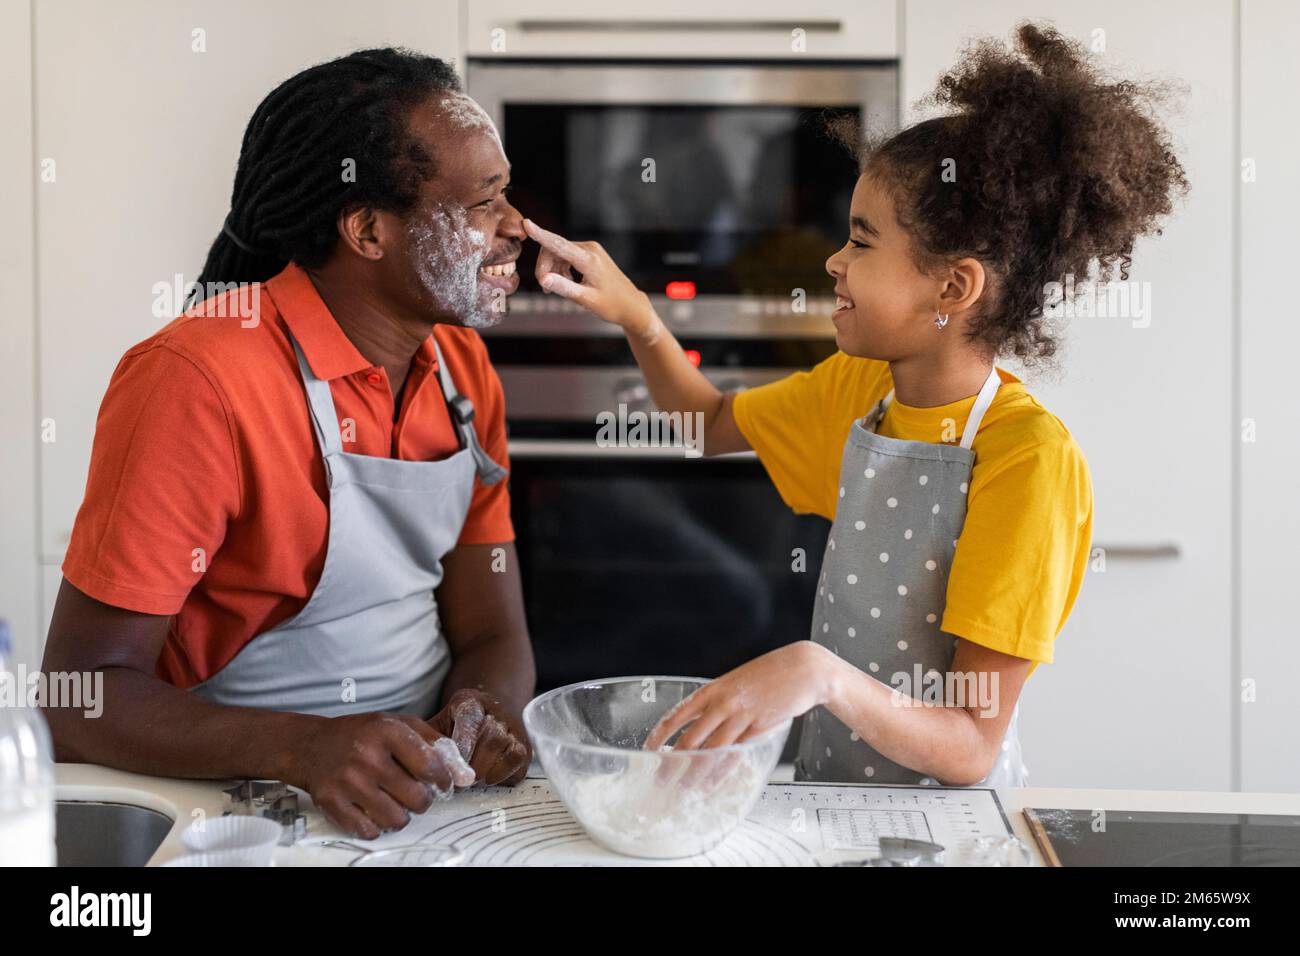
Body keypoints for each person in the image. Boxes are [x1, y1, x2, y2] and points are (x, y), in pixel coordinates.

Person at [521, 23, 1187, 787]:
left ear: (952, 287)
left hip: (945, 826)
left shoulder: (1026, 458)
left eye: (863, 243)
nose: (834, 261)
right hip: (838, 793)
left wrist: (819, 674)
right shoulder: (863, 388)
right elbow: (704, 426)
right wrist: (638, 314)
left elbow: (971, 745)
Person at [41, 49, 535, 838]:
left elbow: (491, 631)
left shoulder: (461, 370)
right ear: (368, 229)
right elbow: (80, 693)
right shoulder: (198, 380)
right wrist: (306, 749)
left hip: (420, 801)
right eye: (482, 204)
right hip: (243, 808)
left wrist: (481, 713)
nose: (518, 229)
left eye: (506, 193)